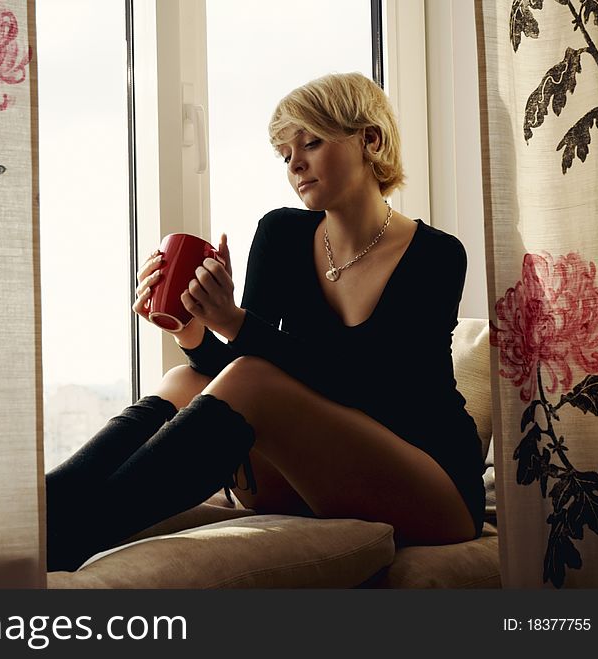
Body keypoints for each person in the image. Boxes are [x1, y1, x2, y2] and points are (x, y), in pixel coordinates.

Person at [46, 72, 485, 573]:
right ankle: (36, 514)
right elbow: (239, 376)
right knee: (185, 380)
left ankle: (70, 538)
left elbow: (374, 390)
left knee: (250, 377)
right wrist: (193, 331)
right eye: (285, 154)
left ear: (371, 139)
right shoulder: (281, 234)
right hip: (309, 475)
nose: (295, 163)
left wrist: (236, 322)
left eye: (312, 142)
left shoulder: (436, 255)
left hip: (431, 486)